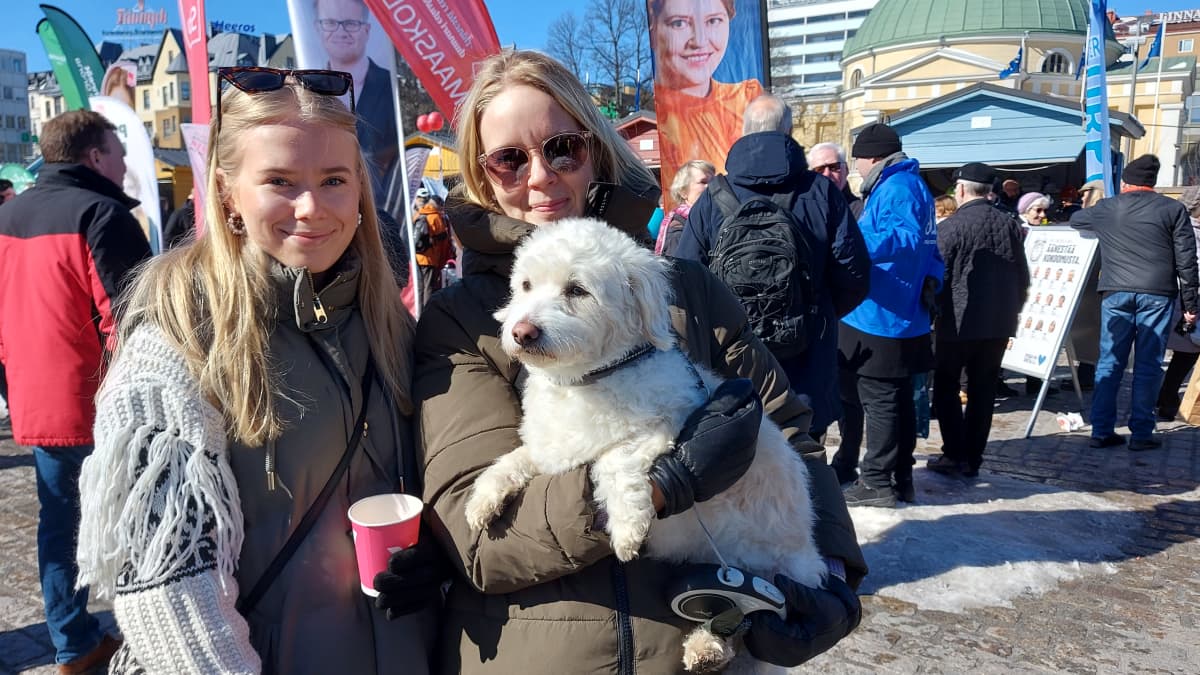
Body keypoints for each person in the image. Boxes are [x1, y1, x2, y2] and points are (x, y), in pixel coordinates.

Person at [415, 49, 864, 673]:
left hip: (701, 642)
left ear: (596, 148)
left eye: (561, 148)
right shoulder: (461, 322)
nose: (540, 176)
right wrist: (660, 485)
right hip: (540, 654)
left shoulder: (686, 287)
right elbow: (479, 540)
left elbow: (787, 425)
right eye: (510, 159)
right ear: (483, 174)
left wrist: (832, 571)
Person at [73, 68, 441, 672]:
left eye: (333, 180)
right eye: (279, 181)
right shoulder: (180, 335)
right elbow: (169, 589)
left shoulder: (385, 319)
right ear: (226, 192)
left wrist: (438, 560)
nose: (311, 207)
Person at [0, 110, 151, 673]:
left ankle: (72, 641)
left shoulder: (7, 215)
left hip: (36, 399)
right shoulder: (102, 213)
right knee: (139, 517)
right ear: (93, 157)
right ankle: (144, 630)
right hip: (99, 401)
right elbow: (134, 320)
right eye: (118, 151)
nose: (125, 161)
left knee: (59, 525)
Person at [677, 93, 870, 441]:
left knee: (739, 472)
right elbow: (855, 275)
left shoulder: (712, 196)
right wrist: (816, 312)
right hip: (807, 363)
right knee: (805, 469)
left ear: (745, 131)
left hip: (734, 365)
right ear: (789, 132)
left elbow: (685, 277)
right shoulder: (822, 192)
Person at [831, 122, 943, 507]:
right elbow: (930, 248)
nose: (856, 167)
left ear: (873, 156)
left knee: (881, 401)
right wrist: (934, 279)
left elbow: (907, 239)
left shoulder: (897, 187)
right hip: (900, 312)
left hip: (882, 314)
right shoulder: (909, 185)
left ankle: (878, 481)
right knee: (894, 401)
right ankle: (901, 477)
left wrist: (849, 240)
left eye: (857, 159)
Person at [1070, 154, 1200, 450]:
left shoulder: (1106, 208)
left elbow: (1077, 218)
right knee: (1148, 364)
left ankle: (1101, 430)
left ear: (1125, 181)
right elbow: (1187, 261)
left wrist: (1097, 205)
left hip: (1115, 292)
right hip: (1158, 293)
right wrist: (1190, 305)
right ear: (1152, 183)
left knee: (1109, 362)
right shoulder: (1173, 209)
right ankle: (1141, 433)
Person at [926, 162, 1029, 478]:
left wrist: (931, 312)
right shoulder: (1010, 224)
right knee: (983, 389)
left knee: (946, 388)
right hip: (997, 323)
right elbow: (1021, 273)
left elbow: (936, 277)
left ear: (959, 190)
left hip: (957, 323)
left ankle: (954, 453)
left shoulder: (951, 227)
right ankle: (973, 457)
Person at [649, 0, 763, 210]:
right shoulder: (663, 123)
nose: (700, 41)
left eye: (713, 21)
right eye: (679, 23)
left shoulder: (750, 100)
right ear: (654, 28)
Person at [315, 0, 398, 205]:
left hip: (382, 215)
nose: (341, 32)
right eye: (330, 23)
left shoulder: (393, 89)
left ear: (367, 30)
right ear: (318, 29)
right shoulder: (304, 93)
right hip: (323, 211)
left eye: (351, 23)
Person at [655, 159, 714, 255]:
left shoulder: (711, 219)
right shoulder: (679, 230)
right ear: (683, 192)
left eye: (713, 181)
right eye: (703, 182)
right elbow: (679, 267)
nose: (710, 186)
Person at [412, 186, 453, 304]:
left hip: (417, 256)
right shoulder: (436, 217)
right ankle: (427, 314)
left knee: (419, 287)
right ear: (438, 205)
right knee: (429, 287)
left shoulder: (418, 214)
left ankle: (419, 313)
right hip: (430, 258)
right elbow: (443, 240)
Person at [808, 142, 863, 218]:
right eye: (819, 169)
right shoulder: (804, 210)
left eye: (834, 167)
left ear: (846, 169)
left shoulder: (861, 212)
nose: (827, 174)